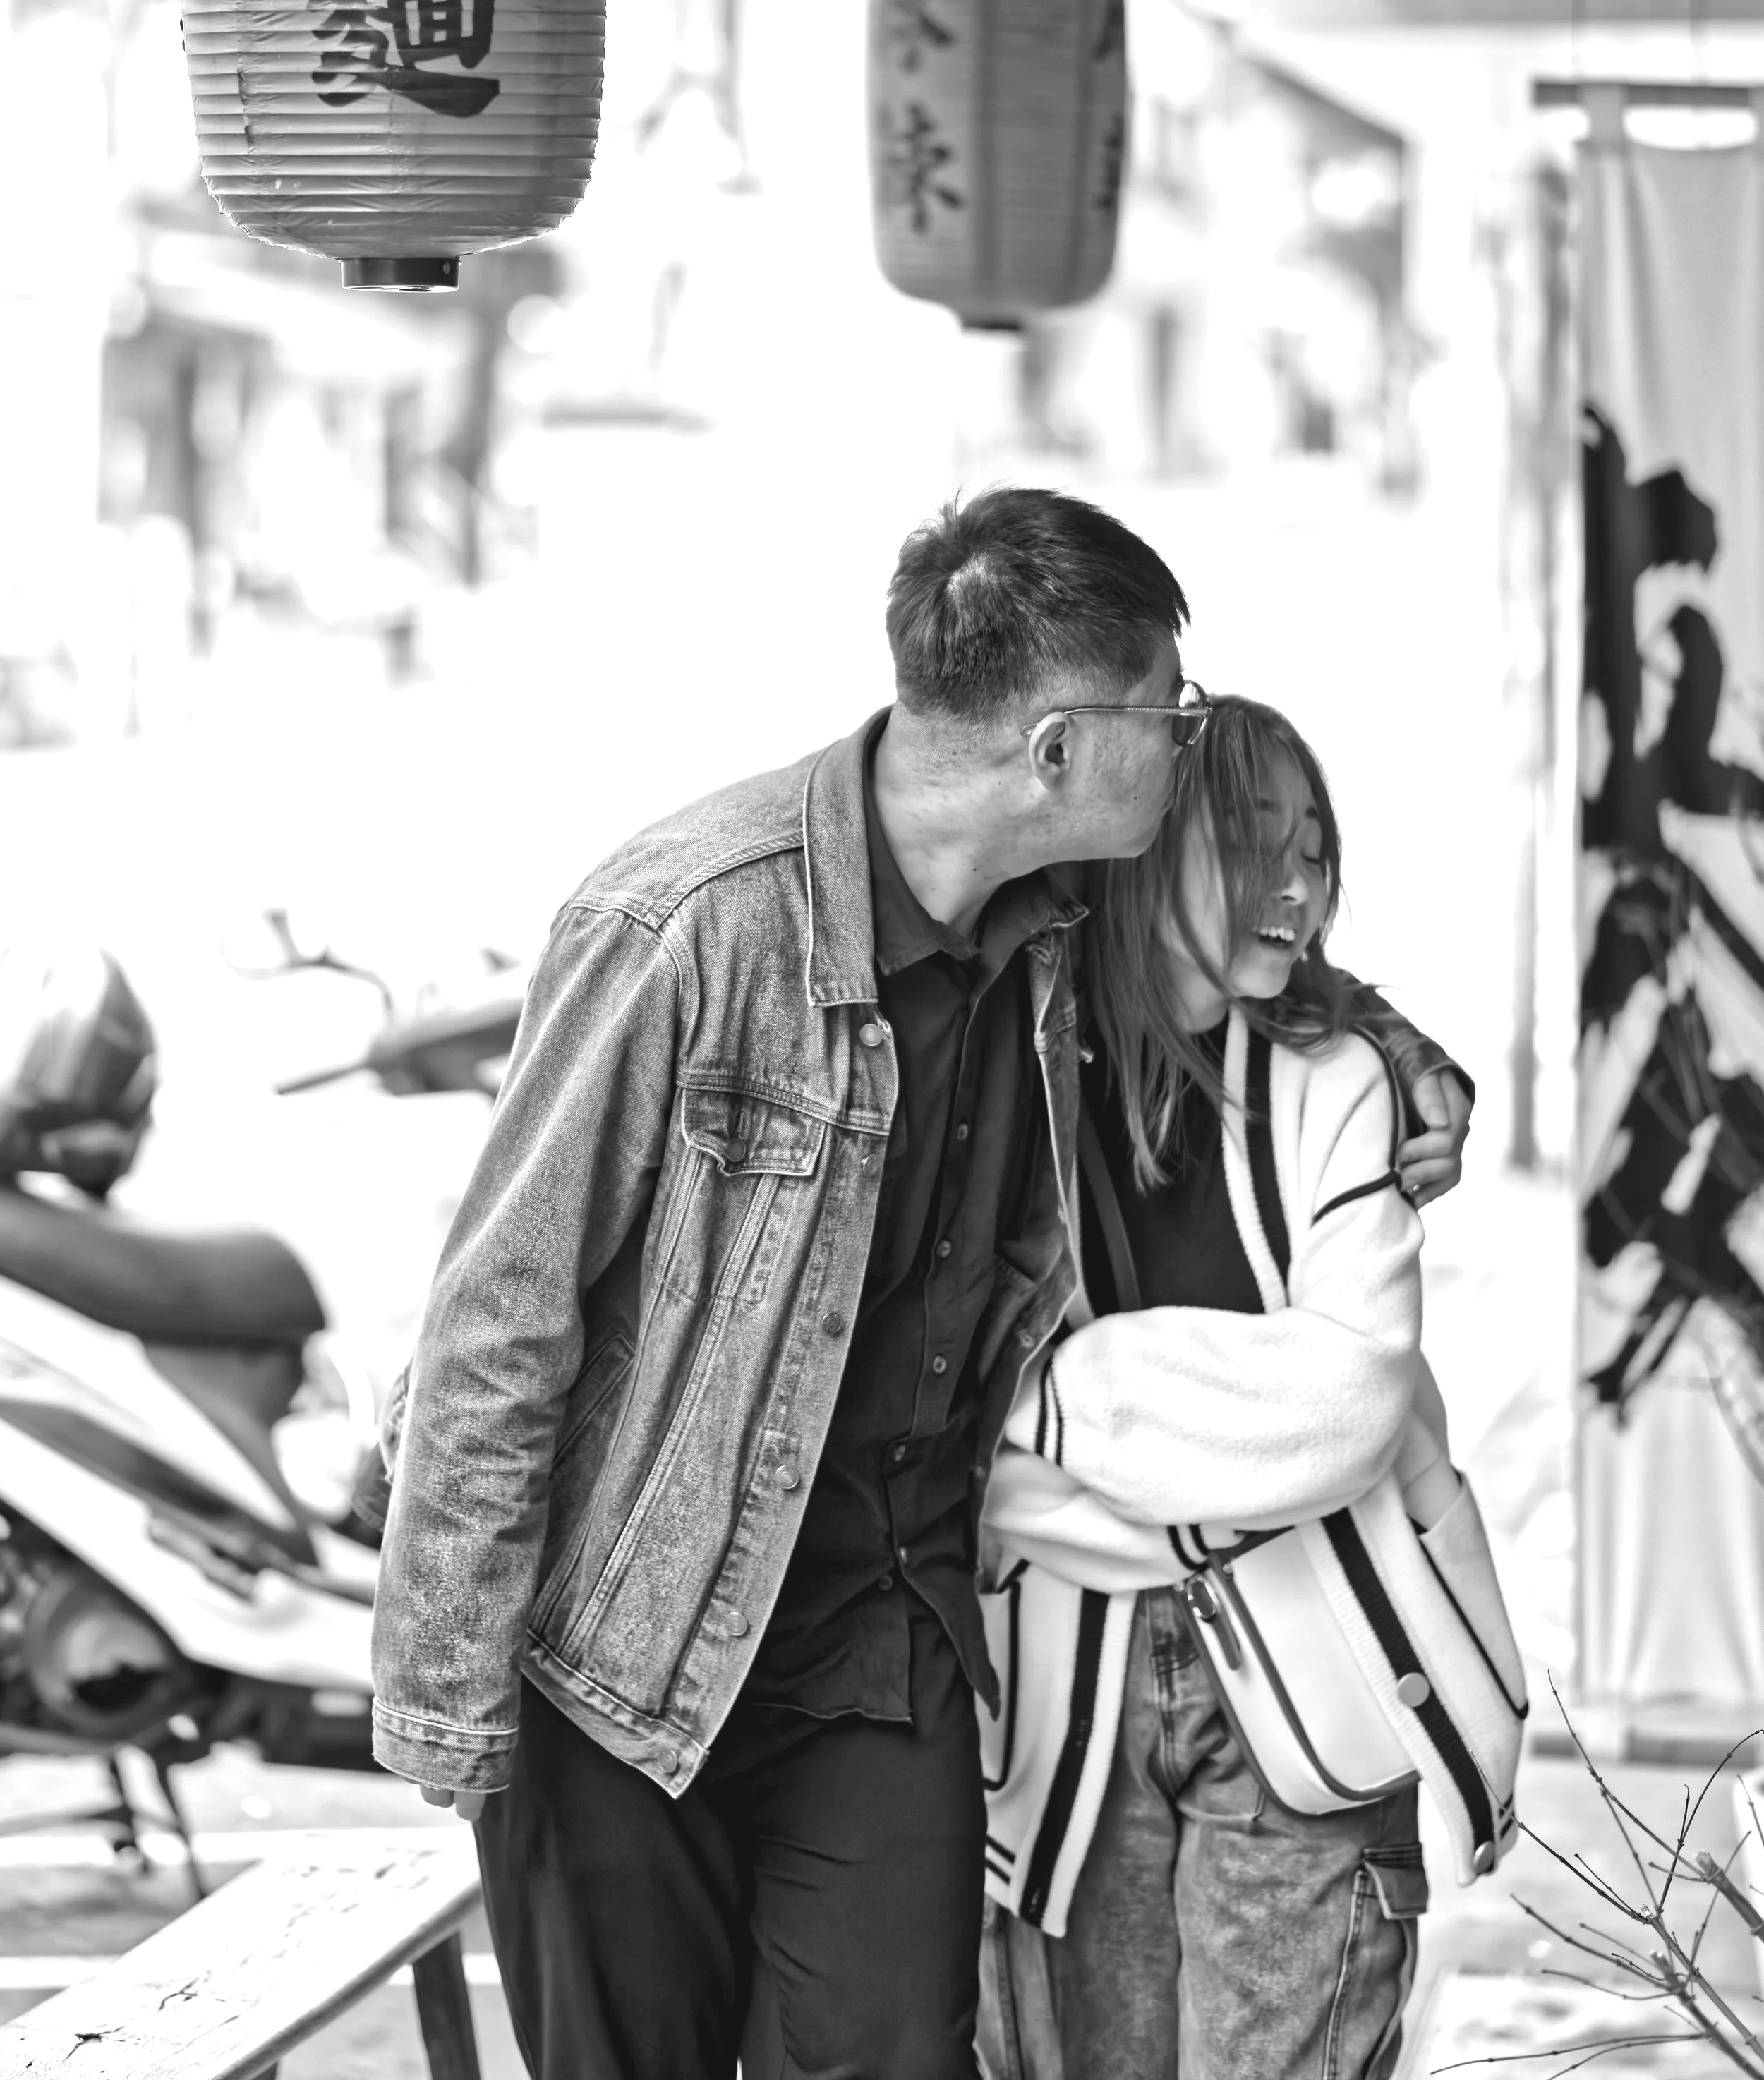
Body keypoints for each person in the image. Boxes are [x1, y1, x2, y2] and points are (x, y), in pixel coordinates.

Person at [368, 491, 1473, 2080]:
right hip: (618, 1652)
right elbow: (496, 1314)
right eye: (1164, 712)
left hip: (878, 1640)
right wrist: (447, 1701)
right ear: (1054, 751)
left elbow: (1232, 937)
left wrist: (1391, 1041)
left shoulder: (1054, 915)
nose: (1184, 741)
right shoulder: (686, 921)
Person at [976, 694, 1522, 2080]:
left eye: (1315, 848)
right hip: (1062, 1709)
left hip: (1315, 1675)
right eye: (1251, 840)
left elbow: (1339, 1403)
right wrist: (1226, 1444)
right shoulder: (1003, 1069)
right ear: (1147, 837)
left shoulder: (1335, 1080)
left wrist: (1048, 1407)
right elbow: (946, 1430)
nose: (1295, 884)